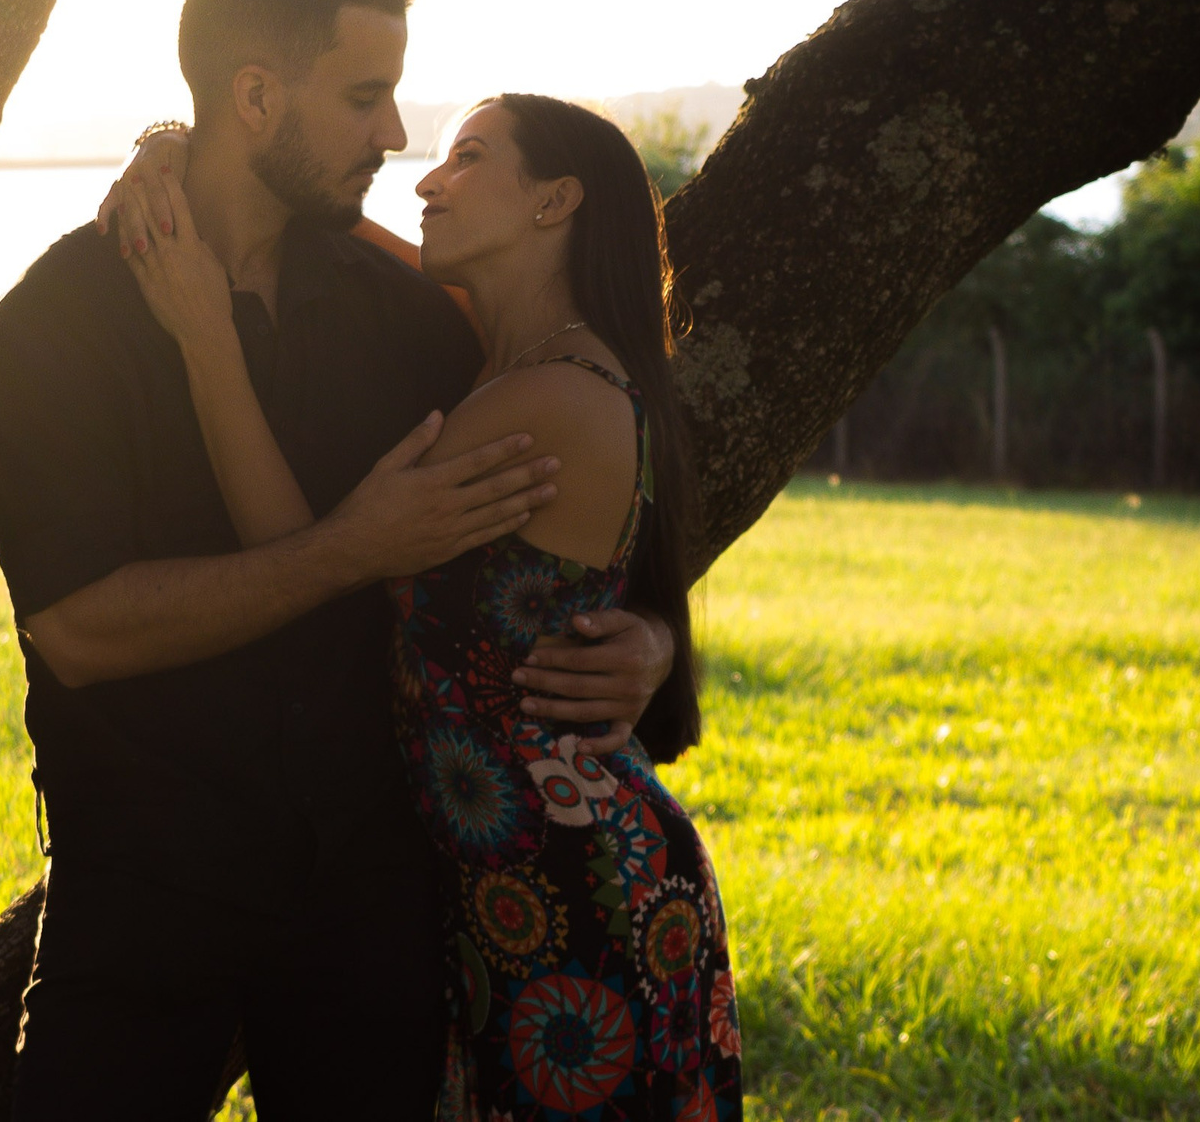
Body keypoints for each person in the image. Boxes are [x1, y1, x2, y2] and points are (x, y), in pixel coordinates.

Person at [0, 0, 679, 1120]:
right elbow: (81, 631)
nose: (394, 136)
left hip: (376, 893)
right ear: (254, 95)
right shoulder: (54, 329)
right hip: (149, 889)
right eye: (363, 97)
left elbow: (593, 444)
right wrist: (347, 549)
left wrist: (652, 631)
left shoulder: (413, 317)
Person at [118, 92, 740, 1121]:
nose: (425, 179)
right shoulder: (519, 361)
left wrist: (202, 336)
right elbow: (307, 217)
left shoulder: (540, 400)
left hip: (574, 890)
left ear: (554, 202)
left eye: (467, 158)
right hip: (519, 883)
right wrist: (180, 145)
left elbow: (304, 556)